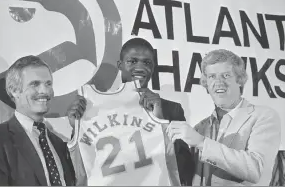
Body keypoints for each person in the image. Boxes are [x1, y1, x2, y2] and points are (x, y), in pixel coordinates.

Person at [67, 37, 195, 186]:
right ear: (120, 65)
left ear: (153, 67)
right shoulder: (93, 109)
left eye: (147, 62)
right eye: (132, 61)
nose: (140, 67)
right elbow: (82, 164)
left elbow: (185, 167)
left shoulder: (171, 109)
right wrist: (76, 125)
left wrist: (160, 121)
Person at [166, 49, 281, 185]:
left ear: (239, 80)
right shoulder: (200, 128)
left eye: (226, 75)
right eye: (212, 76)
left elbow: (256, 169)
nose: (218, 82)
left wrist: (202, 143)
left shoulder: (263, 116)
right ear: (206, 84)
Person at [0, 56, 76, 186]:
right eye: (35, 84)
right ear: (14, 90)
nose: (44, 91)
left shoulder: (58, 143)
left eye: (48, 84)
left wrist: (78, 129)